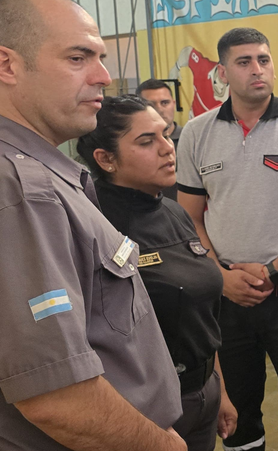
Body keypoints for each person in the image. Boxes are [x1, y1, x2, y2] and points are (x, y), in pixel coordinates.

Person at [0, 0, 185, 451]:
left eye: (99, 57)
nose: (103, 76)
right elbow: (58, 399)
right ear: (6, 65)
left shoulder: (27, 171)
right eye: (78, 57)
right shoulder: (12, 192)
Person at [176, 27, 278, 451]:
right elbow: (188, 219)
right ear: (222, 72)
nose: (257, 70)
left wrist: (273, 272)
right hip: (226, 295)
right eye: (244, 62)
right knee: (237, 415)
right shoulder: (196, 134)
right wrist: (220, 275)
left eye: (264, 60)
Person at [76, 94, 238, 451]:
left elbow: (201, 314)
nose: (168, 148)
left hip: (202, 392)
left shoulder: (174, 211)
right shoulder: (94, 225)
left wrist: (219, 389)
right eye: (147, 141)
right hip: (143, 408)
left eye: (166, 134)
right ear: (106, 159)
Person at [138, 78, 182, 200]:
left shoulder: (192, 139)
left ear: (173, 103)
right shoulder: (133, 145)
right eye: (151, 105)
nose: (159, 109)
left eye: (165, 103)